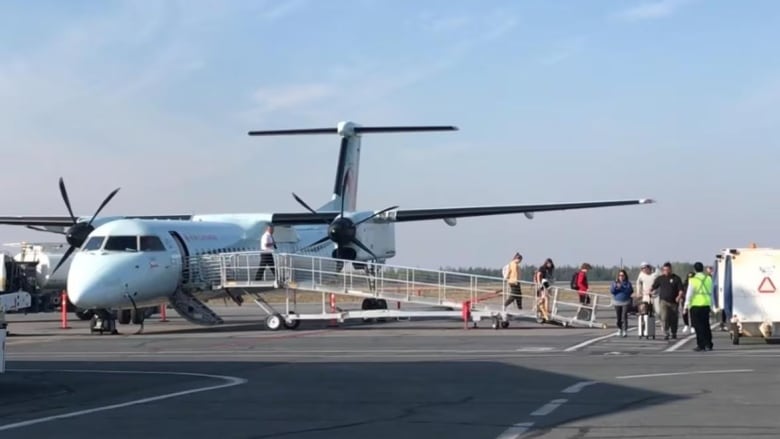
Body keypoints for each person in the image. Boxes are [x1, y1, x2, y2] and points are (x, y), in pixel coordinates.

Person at [684, 262, 714, 351]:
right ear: (702, 269)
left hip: (696, 305)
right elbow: (712, 292)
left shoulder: (693, 280)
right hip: (706, 304)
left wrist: (686, 305)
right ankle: (709, 344)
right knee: (706, 325)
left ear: (695, 269)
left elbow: (689, 293)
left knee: (698, 326)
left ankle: (701, 344)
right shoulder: (708, 278)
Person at [651, 262, 685, 340]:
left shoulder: (676, 278)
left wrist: (679, 297)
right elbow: (654, 286)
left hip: (674, 302)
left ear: (670, 270)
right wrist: (650, 291)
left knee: (674, 318)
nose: (665, 271)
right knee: (664, 317)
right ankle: (666, 333)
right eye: (664, 270)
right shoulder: (660, 278)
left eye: (667, 270)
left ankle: (674, 332)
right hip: (663, 301)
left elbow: (681, 290)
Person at [610, 269, 634, 337]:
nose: (621, 277)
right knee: (618, 317)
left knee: (624, 316)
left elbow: (630, 291)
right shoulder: (614, 283)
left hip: (625, 302)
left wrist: (622, 288)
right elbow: (612, 291)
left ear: (625, 276)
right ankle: (619, 329)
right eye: (620, 275)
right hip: (617, 302)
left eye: (622, 275)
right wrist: (616, 287)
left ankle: (625, 330)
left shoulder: (628, 283)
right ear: (618, 276)